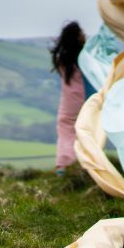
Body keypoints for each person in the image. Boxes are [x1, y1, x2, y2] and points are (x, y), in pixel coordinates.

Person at [50, 21, 87, 174]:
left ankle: (64, 165)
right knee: (85, 131)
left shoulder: (62, 59)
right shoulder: (84, 58)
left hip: (68, 102)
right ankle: (83, 164)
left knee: (65, 130)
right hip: (84, 100)